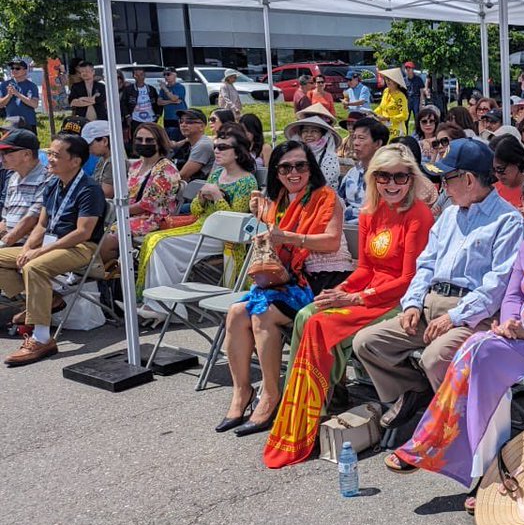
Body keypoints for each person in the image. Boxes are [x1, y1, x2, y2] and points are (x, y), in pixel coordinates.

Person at [388, 171, 524, 509]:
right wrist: (509, 322)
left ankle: (449, 450)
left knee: (480, 355)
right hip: (519, 333)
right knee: (474, 350)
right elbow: (511, 295)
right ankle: (487, 467)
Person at [264, 146, 434, 468]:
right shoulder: (371, 212)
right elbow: (366, 268)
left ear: (411, 178)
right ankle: (313, 407)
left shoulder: (418, 215)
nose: (392, 183)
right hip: (370, 291)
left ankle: (315, 410)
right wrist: (341, 289)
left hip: (398, 299)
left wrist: (356, 297)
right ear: (373, 178)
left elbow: (409, 278)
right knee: (306, 314)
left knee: (319, 324)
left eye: (400, 175)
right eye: (383, 176)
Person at [353, 138, 524, 430]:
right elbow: (426, 264)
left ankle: (452, 426)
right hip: (431, 305)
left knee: (435, 358)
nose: (442, 186)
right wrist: (411, 304)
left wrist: (454, 317)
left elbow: (496, 287)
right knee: (367, 343)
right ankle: (419, 394)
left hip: (472, 315)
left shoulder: (508, 221)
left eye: (447, 178)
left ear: (469, 179)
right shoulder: (448, 215)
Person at [217, 141, 351, 436]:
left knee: (263, 314)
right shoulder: (278, 200)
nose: (294, 172)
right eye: (286, 167)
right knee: (236, 313)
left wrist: (288, 236)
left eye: (301, 165)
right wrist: (260, 211)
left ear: (311, 168)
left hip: (324, 279)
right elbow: (272, 229)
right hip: (290, 279)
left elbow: (330, 241)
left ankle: (270, 395)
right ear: (276, 172)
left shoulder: (326, 197)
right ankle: (242, 393)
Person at [0, 134, 104, 366]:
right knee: (15, 258)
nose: (50, 159)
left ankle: (41, 338)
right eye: (51, 153)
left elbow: (83, 233)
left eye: (57, 155)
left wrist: (39, 252)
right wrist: (27, 247)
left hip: (80, 247)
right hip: (52, 244)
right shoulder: (54, 185)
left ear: (75, 161)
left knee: (35, 266)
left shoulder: (89, 189)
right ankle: (48, 301)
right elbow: (42, 224)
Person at [136, 125, 258, 321]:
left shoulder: (247, 181)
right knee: (154, 239)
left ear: (238, 152)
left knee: (161, 243)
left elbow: (235, 224)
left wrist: (217, 196)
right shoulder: (217, 174)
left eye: (223, 147)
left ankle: (166, 307)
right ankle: (156, 303)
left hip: (222, 237)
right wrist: (201, 198)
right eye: (216, 146)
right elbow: (195, 209)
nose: (216, 151)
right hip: (202, 226)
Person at [99, 123, 181, 261]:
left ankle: (115, 277)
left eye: (149, 140)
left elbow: (145, 205)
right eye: (139, 139)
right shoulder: (136, 166)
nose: (143, 143)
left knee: (106, 240)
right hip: (128, 214)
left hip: (152, 219)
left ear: (160, 143)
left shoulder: (166, 170)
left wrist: (115, 210)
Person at [0, 129, 51, 249]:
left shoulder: (46, 178)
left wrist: (4, 243)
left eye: (7, 151)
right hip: (11, 243)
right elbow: (5, 220)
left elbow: (31, 218)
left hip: (30, 246)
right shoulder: (13, 178)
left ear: (27, 154)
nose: (2, 157)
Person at [338, 117, 388, 224]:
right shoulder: (352, 172)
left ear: (378, 144)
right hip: (345, 228)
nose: (355, 143)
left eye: (361, 138)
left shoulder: (388, 175)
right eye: (354, 137)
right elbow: (339, 202)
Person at [284, 114, 342, 186]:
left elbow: (323, 183)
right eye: (305, 131)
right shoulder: (295, 153)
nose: (309, 134)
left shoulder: (329, 157)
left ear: (323, 135)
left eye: (314, 131)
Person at [171, 109, 215, 182]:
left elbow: (183, 175)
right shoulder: (190, 142)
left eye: (189, 122)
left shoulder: (203, 145)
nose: (183, 124)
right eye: (181, 121)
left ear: (202, 126)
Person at [491, 134, 524, 209]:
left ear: (517, 161)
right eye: (493, 170)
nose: (497, 175)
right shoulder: (492, 191)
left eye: (500, 169)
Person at [1, 60, 40, 129]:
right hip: (10, 124)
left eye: (17, 68)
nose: (14, 70)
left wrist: (18, 94)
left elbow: (34, 104)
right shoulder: (4, 85)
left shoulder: (32, 86)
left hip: (28, 123)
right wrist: (8, 96)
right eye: (12, 68)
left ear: (25, 71)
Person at [80, 121, 115, 198]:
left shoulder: (113, 162)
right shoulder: (101, 160)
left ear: (105, 141)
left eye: (90, 144)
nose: (88, 149)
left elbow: (106, 193)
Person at [157, 67, 187, 139]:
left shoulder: (180, 87)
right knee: (169, 138)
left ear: (175, 75)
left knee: (179, 137)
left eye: (168, 74)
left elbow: (174, 98)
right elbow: (159, 102)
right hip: (168, 118)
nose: (166, 77)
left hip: (179, 118)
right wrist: (171, 102)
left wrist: (165, 89)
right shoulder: (163, 89)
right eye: (164, 75)